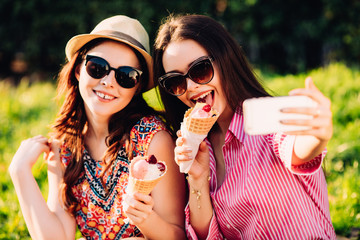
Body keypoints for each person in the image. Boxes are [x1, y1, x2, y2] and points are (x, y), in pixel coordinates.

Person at [153, 14, 336, 239]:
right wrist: (198, 179)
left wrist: (318, 134)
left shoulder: (266, 118)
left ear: (225, 59)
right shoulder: (200, 147)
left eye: (200, 69)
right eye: (175, 81)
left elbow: (298, 147)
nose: (190, 86)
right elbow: (207, 236)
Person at [9, 15, 186, 240]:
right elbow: (56, 237)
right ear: (78, 70)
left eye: (126, 76)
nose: (109, 81)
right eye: (97, 67)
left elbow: (178, 235)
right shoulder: (65, 144)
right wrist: (20, 172)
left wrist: (144, 219)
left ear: (137, 86)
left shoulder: (152, 139)